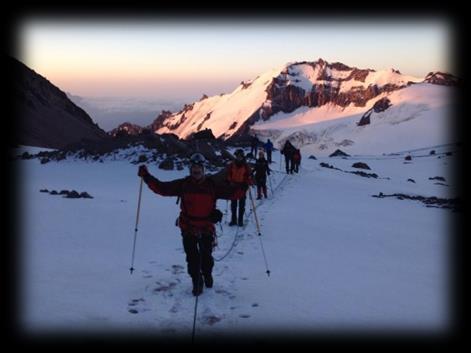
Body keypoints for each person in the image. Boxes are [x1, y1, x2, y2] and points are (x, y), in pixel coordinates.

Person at [137, 153, 247, 296]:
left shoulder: (212, 185)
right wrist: (146, 176)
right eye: (194, 167)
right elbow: (162, 188)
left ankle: (207, 274)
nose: (196, 170)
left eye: (199, 168)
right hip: (188, 227)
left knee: (206, 258)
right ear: (190, 169)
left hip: (207, 228)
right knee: (192, 258)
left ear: (203, 169)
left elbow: (232, 194)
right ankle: (197, 281)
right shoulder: (183, 184)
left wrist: (244, 186)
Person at [226, 149, 253, 226]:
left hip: (242, 187)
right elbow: (229, 174)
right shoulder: (232, 165)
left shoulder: (246, 166)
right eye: (237, 156)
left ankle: (240, 220)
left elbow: (249, 175)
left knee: (241, 205)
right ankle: (233, 220)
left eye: (240, 156)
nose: (238, 157)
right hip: (233, 186)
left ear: (242, 156)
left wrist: (248, 182)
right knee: (233, 205)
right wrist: (230, 181)